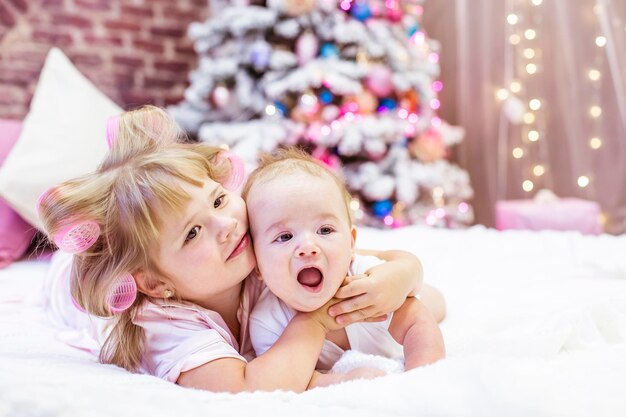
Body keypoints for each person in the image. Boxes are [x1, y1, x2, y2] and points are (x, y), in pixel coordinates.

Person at [38, 105, 432, 393]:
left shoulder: (247, 251)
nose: (226, 227)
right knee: (70, 269)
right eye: (192, 233)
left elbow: (359, 257)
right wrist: (314, 321)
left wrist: (403, 273)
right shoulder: (166, 328)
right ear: (157, 283)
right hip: (78, 289)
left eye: (218, 200)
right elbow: (249, 389)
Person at [243, 147, 446, 381]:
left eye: (325, 230)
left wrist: (421, 376)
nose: (308, 247)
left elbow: (417, 323)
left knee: (436, 304)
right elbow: (293, 379)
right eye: (285, 237)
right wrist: (340, 380)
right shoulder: (267, 322)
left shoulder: (366, 277)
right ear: (257, 264)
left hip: (416, 297)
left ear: (351, 243)